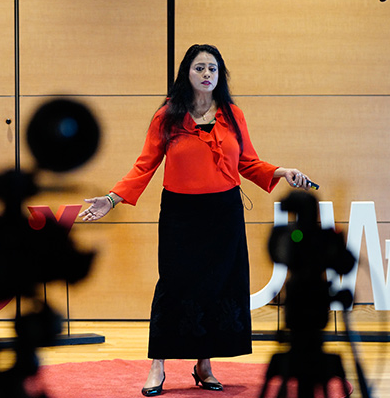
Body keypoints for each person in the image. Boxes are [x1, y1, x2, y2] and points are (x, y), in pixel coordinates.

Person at [79, 44, 314, 396]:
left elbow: (247, 162)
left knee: (217, 289)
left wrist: (282, 171)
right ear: (186, 73)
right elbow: (145, 164)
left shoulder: (233, 114)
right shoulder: (168, 116)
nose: (207, 74)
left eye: (213, 69)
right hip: (180, 215)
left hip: (224, 214)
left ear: (220, 76)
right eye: (199, 68)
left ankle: (204, 365)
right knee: (174, 287)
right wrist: (112, 199)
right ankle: (157, 365)